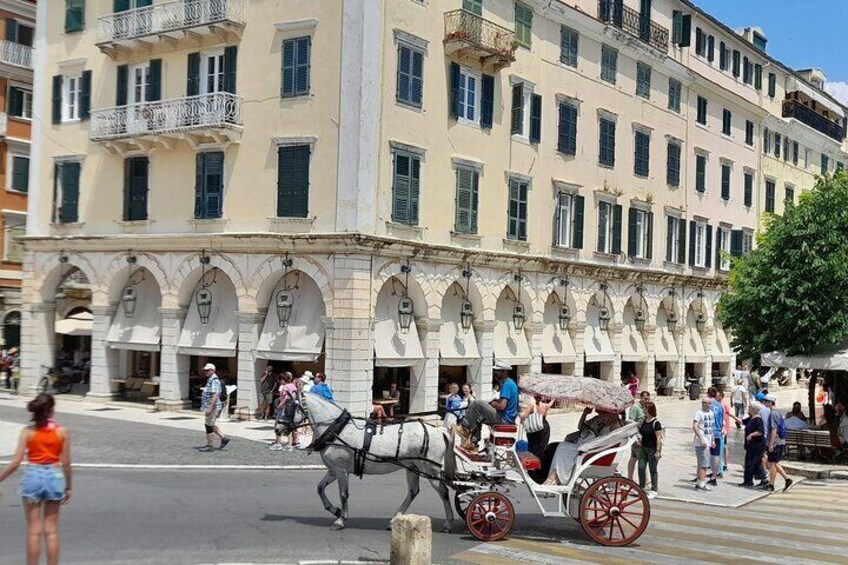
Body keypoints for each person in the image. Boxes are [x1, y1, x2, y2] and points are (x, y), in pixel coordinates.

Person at [0, 394, 72, 565]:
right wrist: (68, 487)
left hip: (33, 475)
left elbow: (16, 462)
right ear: (51, 410)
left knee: (33, 531)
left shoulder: (27, 432)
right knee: (51, 530)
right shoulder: (62, 432)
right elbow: (66, 462)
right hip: (54, 476)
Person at [544, 408, 623, 485]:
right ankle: (554, 475)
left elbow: (607, 441)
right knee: (558, 446)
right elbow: (581, 427)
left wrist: (596, 432)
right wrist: (585, 414)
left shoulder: (614, 425)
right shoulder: (599, 419)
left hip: (592, 449)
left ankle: (555, 477)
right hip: (586, 444)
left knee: (562, 448)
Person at [454, 364, 518, 453]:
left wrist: (492, 403)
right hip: (506, 418)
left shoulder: (507, 385)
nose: (495, 373)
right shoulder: (511, 384)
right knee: (478, 416)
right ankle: (473, 444)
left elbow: (502, 406)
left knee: (476, 403)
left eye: (498, 371)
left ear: (505, 372)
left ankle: (465, 429)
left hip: (503, 419)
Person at [762, 395, 793, 492]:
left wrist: (771, 444)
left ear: (771, 402)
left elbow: (774, 429)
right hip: (780, 442)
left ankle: (771, 485)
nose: (764, 402)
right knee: (774, 463)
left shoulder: (773, 414)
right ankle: (787, 479)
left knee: (771, 464)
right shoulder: (777, 413)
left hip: (776, 443)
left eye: (766, 401)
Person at [200, 363, 230, 452]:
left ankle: (210, 445)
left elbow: (215, 395)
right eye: (205, 370)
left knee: (208, 425)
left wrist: (209, 408)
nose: (206, 372)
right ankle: (224, 438)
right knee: (210, 424)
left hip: (213, 407)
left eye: (208, 370)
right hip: (212, 406)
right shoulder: (211, 379)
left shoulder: (214, 380)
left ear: (213, 370)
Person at [637, 401, 662, 499]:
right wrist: (640, 440)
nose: (643, 410)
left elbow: (658, 438)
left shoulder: (656, 423)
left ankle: (654, 489)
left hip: (652, 449)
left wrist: (658, 451)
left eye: (645, 409)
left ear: (650, 410)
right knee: (641, 467)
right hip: (643, 447)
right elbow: (641, 432)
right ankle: (641, 487)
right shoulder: (644, 420)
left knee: (653, 469)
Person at [271, 373, 300, 451]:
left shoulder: (286, 387)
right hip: (291, 408)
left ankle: (278, 443)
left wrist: (280, 405)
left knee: (278, 425)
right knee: (289, 426)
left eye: (280, 380)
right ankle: (289, 444)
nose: (280, 382)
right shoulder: (293, 386)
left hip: (284, 408)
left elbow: (286, 398)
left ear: (283, 380)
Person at [739, 402, 766, 487]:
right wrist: (731, 416)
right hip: (751, 446)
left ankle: (748, 481)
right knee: (756, 463)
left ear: (754, 409)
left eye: (750, 407)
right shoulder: (751, 418)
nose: (748, 408)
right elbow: (742, 422)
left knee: (751, 463)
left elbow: (760, 431)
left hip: (756, 446)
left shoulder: (758, 419)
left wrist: (751, 435)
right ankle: (763, 479)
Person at [693, 396, 715, 492]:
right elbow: (694, 426)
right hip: (701, 442)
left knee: (703, 462)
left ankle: (700, 482)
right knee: (704, 463)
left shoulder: (711, 413)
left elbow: (711, 428)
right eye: (704, 403)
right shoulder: (699, 413)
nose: (706, 405)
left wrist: (713, 440)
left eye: (707, 403)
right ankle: (701, 483)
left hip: (708, 440)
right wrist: (701, 439)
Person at [627, 391, 650, 481]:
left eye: (648, 399)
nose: (647, 400)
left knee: (633, 458)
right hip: (638, 438)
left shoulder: (647, 408)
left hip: (644, 437)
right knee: (641, 459)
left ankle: (629, 479)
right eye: (645, 399)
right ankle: (646, 481)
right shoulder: (635, 408)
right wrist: (635, 436)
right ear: (640, 398)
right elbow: (630, 423)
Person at [707, 387, 725, 485]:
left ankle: (701, 475)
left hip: (708, 433)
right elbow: (722, 421)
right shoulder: (720, 406)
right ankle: (714, 475)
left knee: (705, 454)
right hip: (718, 432)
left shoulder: (707, 404)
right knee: (716, 455)